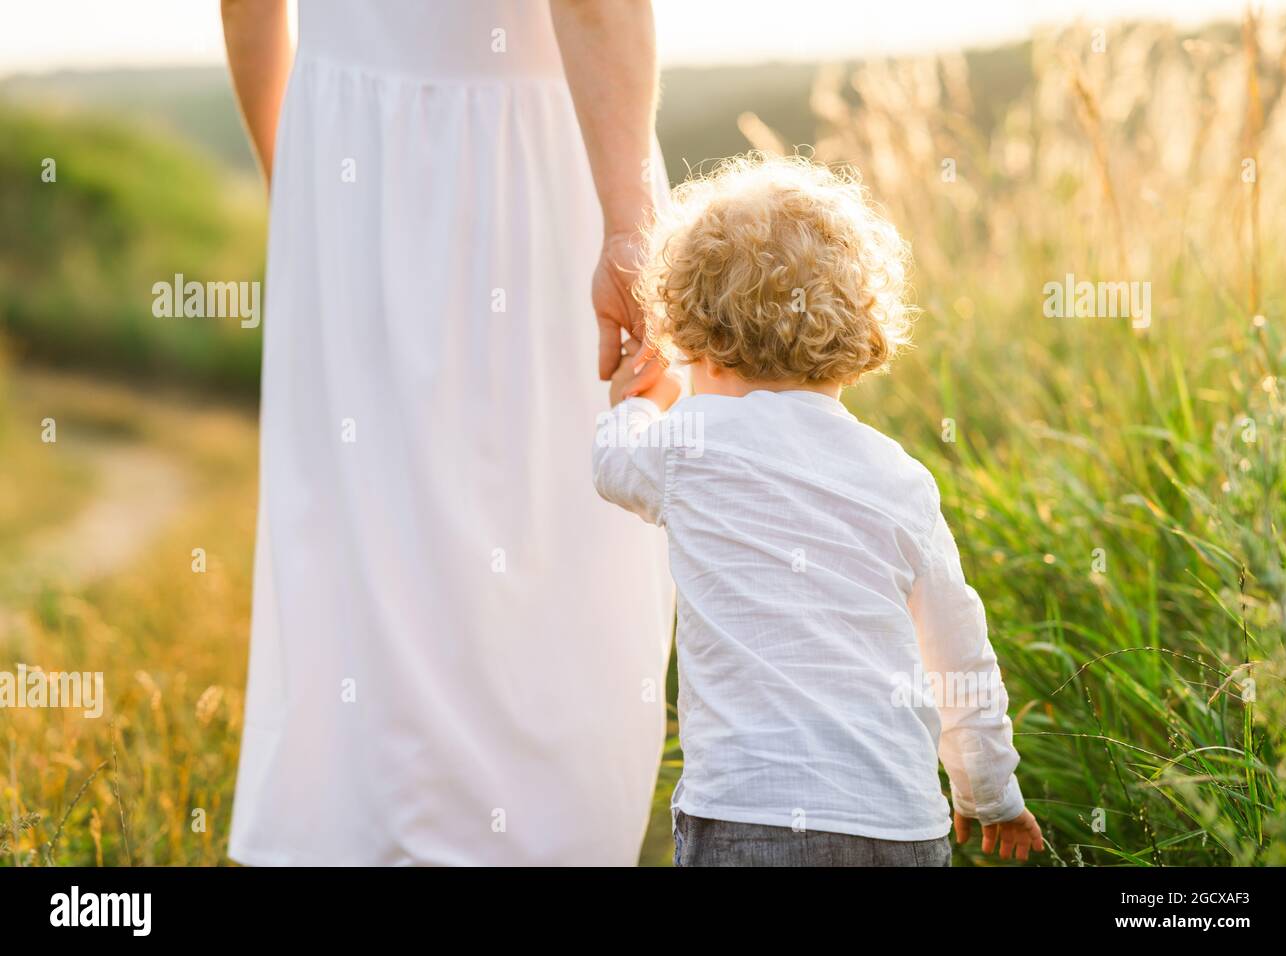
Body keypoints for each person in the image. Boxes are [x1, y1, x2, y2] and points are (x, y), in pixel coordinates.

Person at [221, 0, 674, 865]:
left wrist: (304, 188)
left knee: (364, 531)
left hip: (345, 154)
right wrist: (628, 222)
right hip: (535, 155)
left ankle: (365, 836)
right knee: (553, 529)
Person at [593, 155, 1045, 866]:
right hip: (898, 821)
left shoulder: (690, 445)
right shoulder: (901, 479)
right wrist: (991, 794)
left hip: (747, 815)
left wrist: (635, 404)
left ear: (692, 334)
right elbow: (959, 659)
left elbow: (613, 465)